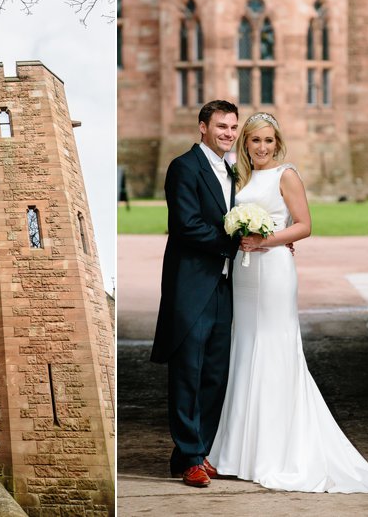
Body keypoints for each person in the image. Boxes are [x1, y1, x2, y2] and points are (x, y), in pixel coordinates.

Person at [206, 112, 368, 493]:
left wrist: (267, 240)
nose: (261, 147)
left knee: (276, 349)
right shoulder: (239, 178)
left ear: (277, 143)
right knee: (246, 350)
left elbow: (304, 225)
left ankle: (277, 453)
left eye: (268, 140)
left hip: (273, 271)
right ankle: (239, 452)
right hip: (245, 275)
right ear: (245, 143)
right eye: (254, 140)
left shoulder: (287, 175)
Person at [150, 100, 240, 487]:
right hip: (191, 284)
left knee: (216, 374)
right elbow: (185, 225)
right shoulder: (184, 167)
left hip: (224, 284)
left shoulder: (233, 171)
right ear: (202, 127)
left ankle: (195, 451)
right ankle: (190, 459)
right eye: (221, 126)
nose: (228, 133)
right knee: (188, 372)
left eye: (233, 127)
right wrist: (235, 243)